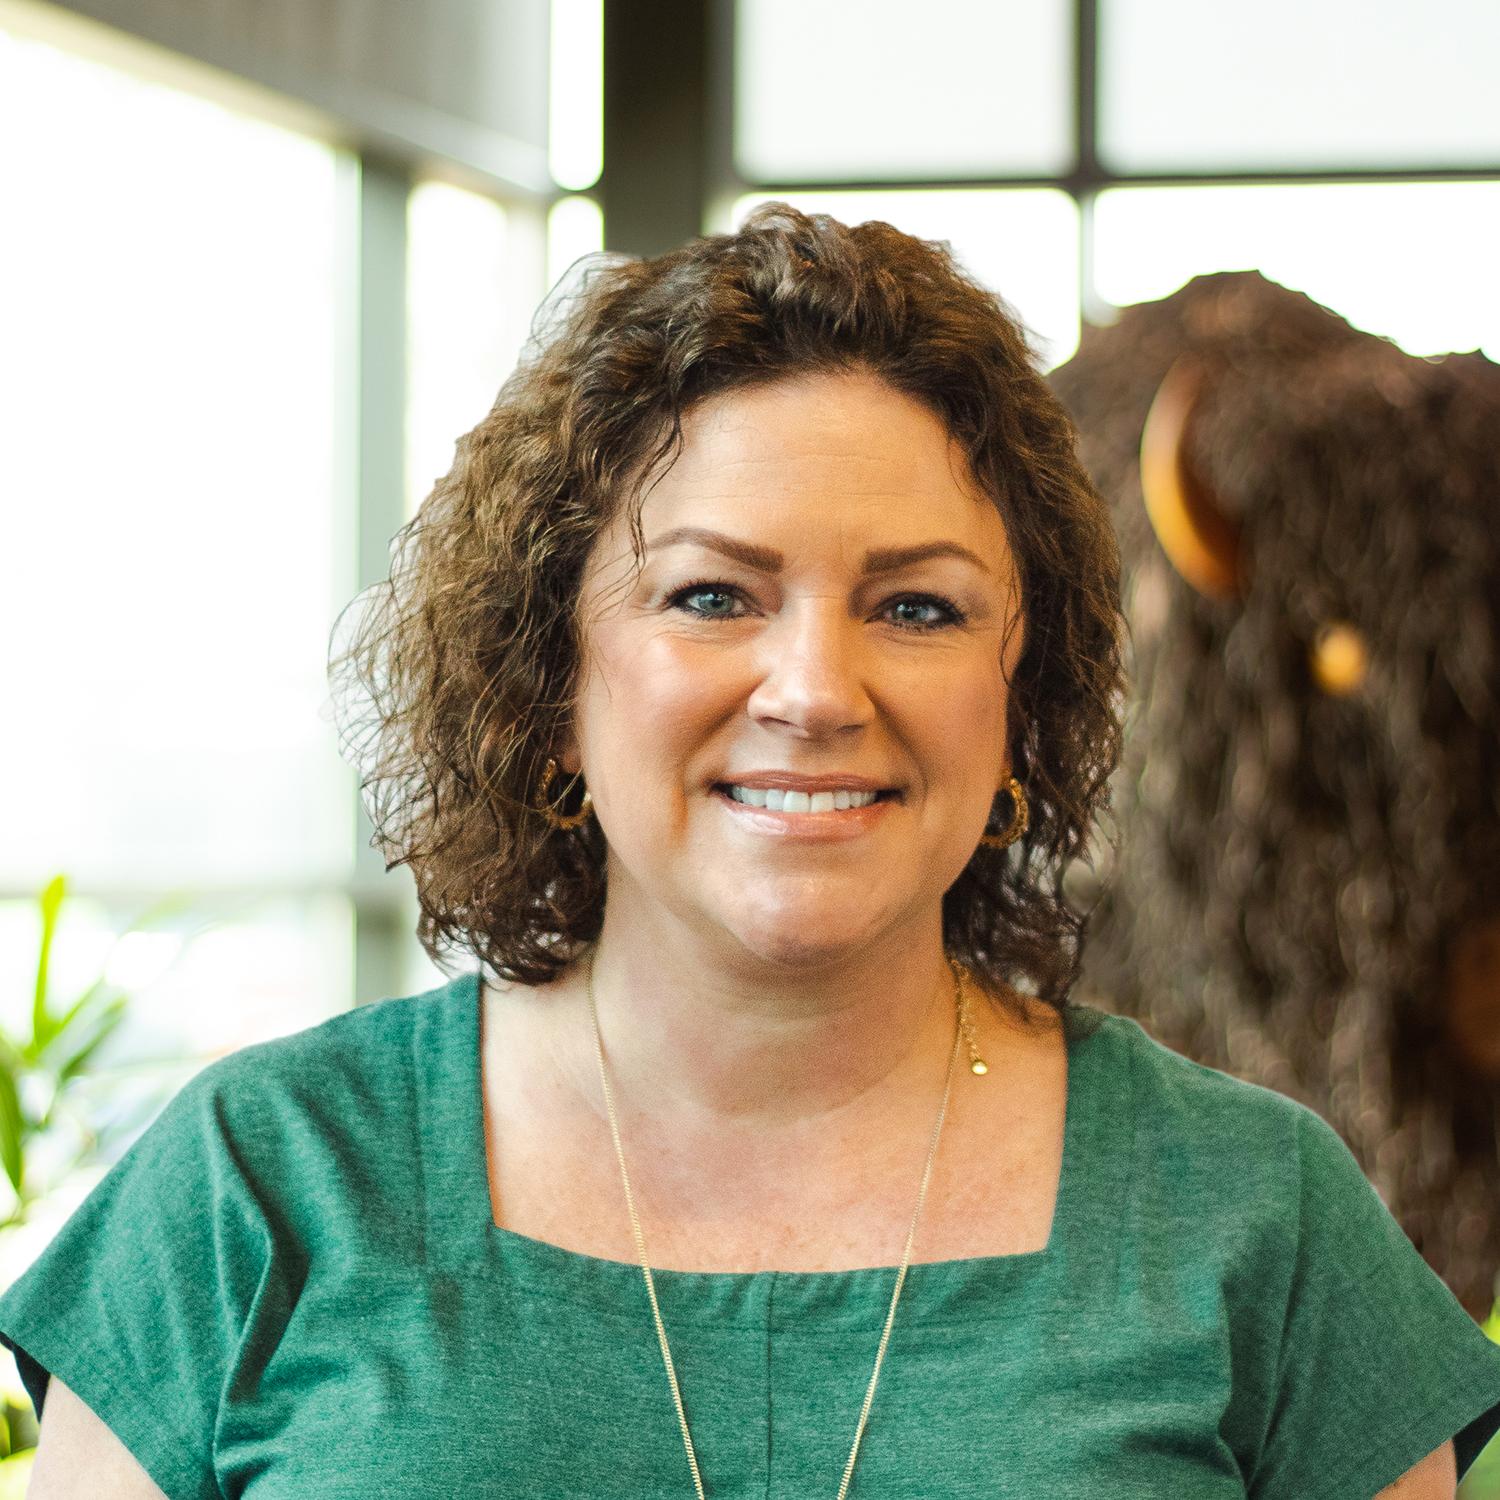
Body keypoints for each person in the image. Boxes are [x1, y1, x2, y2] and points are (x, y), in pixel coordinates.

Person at [4, 204, 1499, 1499]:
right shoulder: (262, 1186)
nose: (814, 691)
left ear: (1018, 693)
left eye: (916, 607)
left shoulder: (1257, 1213)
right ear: (553, 675)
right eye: (714, 596)